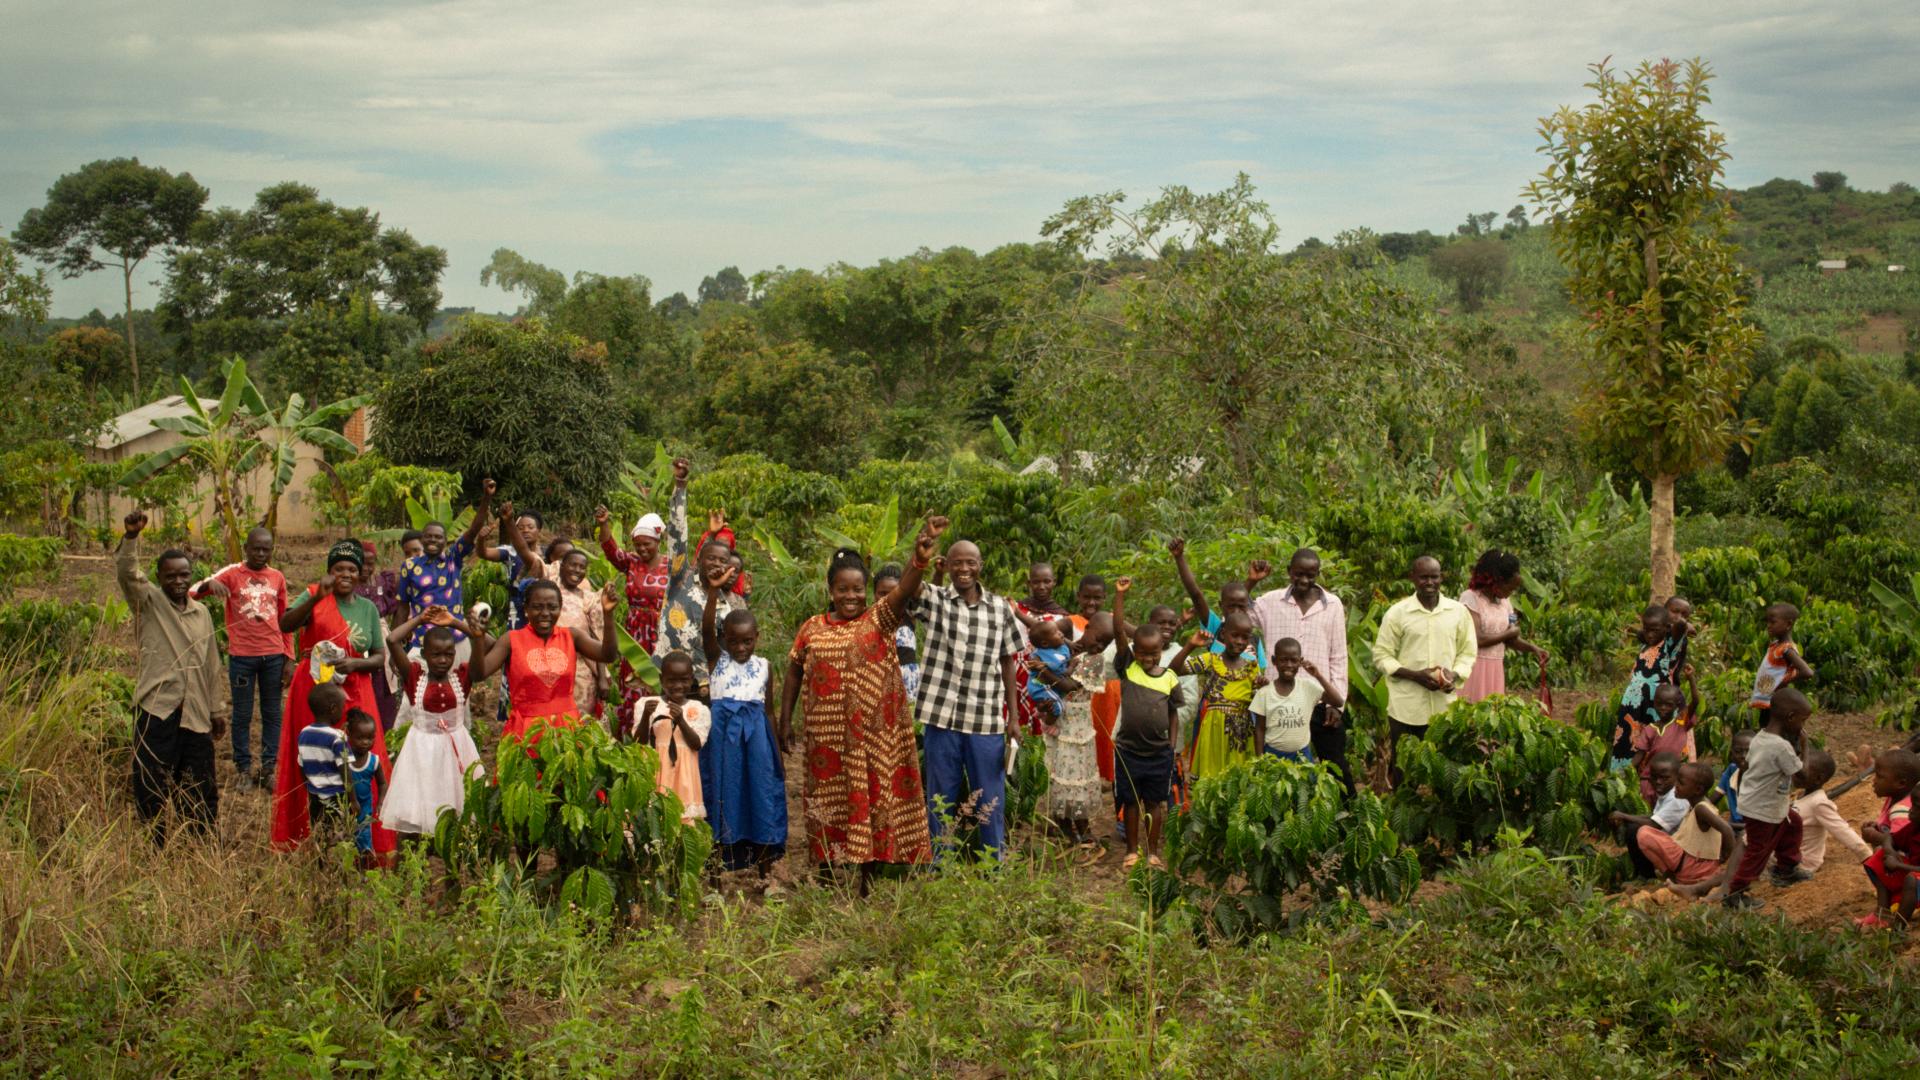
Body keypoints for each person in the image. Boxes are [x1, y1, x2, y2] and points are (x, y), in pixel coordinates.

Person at [781, 521, 946, 892]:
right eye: (843, 589)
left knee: (868, 800)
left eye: (858, 589)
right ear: (831, 590)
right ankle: (826, 875)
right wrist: (784, 720)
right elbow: (793, 670)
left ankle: (866, 881)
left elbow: (903, 590)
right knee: (828, 802)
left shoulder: (879, 618)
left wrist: (918, 561)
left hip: (869, 736)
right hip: (826, 737)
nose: (851, 596)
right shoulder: (811, 627)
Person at [271, 540, 396, 858]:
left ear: (360, 574)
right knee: (318, 760)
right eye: (339, 568)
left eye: (352, 569)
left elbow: (379, 655)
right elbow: (285, 624)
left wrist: (356, 663)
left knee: (357, 757)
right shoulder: (314, 594)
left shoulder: (367, 608)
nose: (345, 574)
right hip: (315, 690)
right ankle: (312, 836)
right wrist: (316, 598)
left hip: (357, 690)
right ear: (329, 572)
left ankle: (361, 840)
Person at [116, 511, 227, 845]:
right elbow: (127, 573)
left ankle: (200, 846)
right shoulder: (149, 603)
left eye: (184, 575)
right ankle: (155, 845)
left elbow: (211, 663)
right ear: (159, 578)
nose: (178, 581)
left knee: (199, 784)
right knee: (151, 784)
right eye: (170, 576)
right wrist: (132, 537)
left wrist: (216, 708)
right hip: (157, 710)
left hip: (195, 716)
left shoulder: (201, 612)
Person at [910, 533, 1023, 861]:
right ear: (947, 567)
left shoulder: (1000, 609)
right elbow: (911, 586)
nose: (963, 569)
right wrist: (920, 556)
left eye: (970, 563)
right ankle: (940, 867)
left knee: (990, 796)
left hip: (984, 718)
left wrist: (1013, 718)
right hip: (941, 717)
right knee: (940, 797)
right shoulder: (936, 600)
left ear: (980, 567)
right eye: (956, 562)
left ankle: (993, 864)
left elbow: (1008, 661)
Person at [699, 567, 788, 877]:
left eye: (747, 642)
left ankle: (764, 869)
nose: (740, 648)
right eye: (734, 642)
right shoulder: (717, 660)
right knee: (723, 795)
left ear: (756, 639)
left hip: (758, 740)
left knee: (761, 794)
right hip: (724, 740)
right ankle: (716, 872)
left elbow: (770, 712)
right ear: (725, 639)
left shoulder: (765, 667)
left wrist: (776, 753)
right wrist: (713, 591)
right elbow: (706, 629)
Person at [188, 526, 290, 789]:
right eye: (255, 548)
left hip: (273, 656)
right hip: (242, 657)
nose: (260, 553)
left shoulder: (277, 577)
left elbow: (285, 620)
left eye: (265, 549)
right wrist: (209, 584)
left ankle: (268, 769)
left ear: (272, 550)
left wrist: (289, 657)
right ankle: (243, 769)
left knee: (272, 713)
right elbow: (192, 592)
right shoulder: (232, 574)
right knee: (242, 715)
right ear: (245, 548)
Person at [1250, 548, 1353, 792]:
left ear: (1318, 573)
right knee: (1278, 770)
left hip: (1319, 702)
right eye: (1298, 574)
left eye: (1311, 575)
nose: (1304, 580)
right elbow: (1235, 617)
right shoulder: (1270, 601)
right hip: (1278, 701)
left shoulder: (1333, 605)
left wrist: (1336, 705)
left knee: (1335, 766)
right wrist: (1251, 581)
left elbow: (1338, 655)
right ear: (1289, 572)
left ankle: (1347, 820)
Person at [1110, 578, 1195, 870]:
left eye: (1153, 653)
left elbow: (1173, 713)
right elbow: (1118, 629)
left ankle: (1153, 852)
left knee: (1155, 805)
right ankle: (1132, 851)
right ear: (1135, 651)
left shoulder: (1170, 677)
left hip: (1159, 753)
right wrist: (1120, 596)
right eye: (1143, 653)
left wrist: (1172, 745)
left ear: (1162, 650)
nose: (1148, 658)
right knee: (1131, 803)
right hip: (1129, 751)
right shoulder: (1129, 667)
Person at [473, 578, 620, 747]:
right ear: (526, 609)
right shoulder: (511, 640)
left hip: (566, 726)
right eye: (537, 607)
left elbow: (607, 654)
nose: (545, 613)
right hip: (527, 730)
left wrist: (608, 614)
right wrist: (478, 638)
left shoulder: (572, 636)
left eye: (552, 607)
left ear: (560, 608)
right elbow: (479, 673)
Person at [379, 608, 486, 837]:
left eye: (448, 654)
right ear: (424, 654)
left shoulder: (462, 677)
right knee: (416, 810)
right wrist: (420, 619)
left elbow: (486, 643)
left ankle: (452, 867)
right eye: (436, 655)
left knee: (456, 807)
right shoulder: (414, 677)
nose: (443, 660)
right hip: (420, 753)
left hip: (457, 750)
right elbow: (392, 639)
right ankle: (408, 868)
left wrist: (456, 623)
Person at [1371, 556, 1477, 784]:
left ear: (1441, 578)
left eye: (1434, 576)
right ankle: (1403, 811)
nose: (1429, 582)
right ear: (1413, 578)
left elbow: (1467, 653)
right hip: (1405, 707)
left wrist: (1454, 675)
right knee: (1404, 767)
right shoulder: (1398, 613)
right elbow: (1381, 655)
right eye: (1423, 577)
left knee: (1443, 767)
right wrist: (1414, 675)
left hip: (1444, 706)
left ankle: (1434, 815)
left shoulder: (1458, 612)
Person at [1725, 687, 1813, 909]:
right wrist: (1805, 747)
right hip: (1762, 809)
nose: (1802, 727)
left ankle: (1786, 868)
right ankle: (1735, 893)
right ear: (1791, 718)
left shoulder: (1760, 737)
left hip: (1765, 803)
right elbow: (1803, 778)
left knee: (1793, 824)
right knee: (1758, 850)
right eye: (1802, 721)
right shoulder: (1781, 747)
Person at [597, 481, 675, 728]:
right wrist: (604, 524)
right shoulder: (632, 563)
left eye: (647, 544)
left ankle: (660, 727)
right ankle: (632, 727)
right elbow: (611, 551)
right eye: (638, 544)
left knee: (659, 677)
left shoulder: (671, 566)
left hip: (661, 630)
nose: (642, 549)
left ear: (657, 542)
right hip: (635, 629)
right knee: (634, 677)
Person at [1034, 612, 1112, 854]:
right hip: (1059, 723)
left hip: (1077, 730)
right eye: (1096, 638)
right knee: (1058, 774)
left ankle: (1084, 829)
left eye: (1104, 644)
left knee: (1076, 778)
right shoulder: (1073, 651)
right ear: (1085, 628)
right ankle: (1065, 826)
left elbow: (1068, 686)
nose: (1098, 646)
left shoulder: (1095, 660)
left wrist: (1043, 671)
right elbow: (1041, 632)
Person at [1610, 761, 1742, 897]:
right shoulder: (1697, 805)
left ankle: (1674, 878)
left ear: (1697, 790)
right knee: (1650, 833)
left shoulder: (1702, 808)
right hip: (1694, 864)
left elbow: (1726, 829)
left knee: (1644, 834)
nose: (1676, 786)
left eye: (1681, 783)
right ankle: (1677, 878)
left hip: (1693, 866)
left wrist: (1725, 857)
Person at [397, 479, 496, 660]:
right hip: (422, 641)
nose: (433, 540)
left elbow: (473, 529)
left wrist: (486, 498)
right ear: (422, 539)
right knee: (422, 688)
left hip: (456, 640)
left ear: (445, 540)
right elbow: (403, 606)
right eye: (428, 537)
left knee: (458, 688)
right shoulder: (409, 566)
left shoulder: (453, 558)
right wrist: (397, 647)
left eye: (438, 537)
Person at [1181, 610, 1268, 780]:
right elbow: (1175, 668)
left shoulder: (1252, 667)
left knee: (1238, 782)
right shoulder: (1211, 660)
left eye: (1245, 638)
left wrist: (1263, 687)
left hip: (1242, 733)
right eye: (1235, 635)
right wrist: (1190, 646)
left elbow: (1259, 705)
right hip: (1214, 728)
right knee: (1211, 781)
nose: (1240, 642)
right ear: (1223, 634)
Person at [1457, 549, 1547, 703]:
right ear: (1495, 581)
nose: (1510, 593)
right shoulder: (1470, 598)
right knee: (1471, 716)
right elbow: (1477, 639)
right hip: (1474, 668)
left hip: (1495, 668)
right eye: (1509, 587)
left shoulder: (1505, 603)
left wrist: (1534, 649)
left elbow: (1511, 640)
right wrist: (1509, 633)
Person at [630, 652, 709, 824]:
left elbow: (696, 744)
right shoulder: (647, 703)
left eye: (684, 680)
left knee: (684, 817)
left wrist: (681, 720)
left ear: (692, 679)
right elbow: (639, 742)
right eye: (671, 681)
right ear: (661, 679)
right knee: (656, 815)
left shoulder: (699, 709)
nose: (678, 686)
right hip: (657, 768)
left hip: (685, 772)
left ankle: (681, 849)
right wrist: (646, 717)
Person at [1171, 538, 1268, 669]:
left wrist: (1252, 581)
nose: (1236, 611)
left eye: (1241, 607)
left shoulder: (1254, 639)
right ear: (1221, 605)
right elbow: (1196, 595)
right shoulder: (1215, 628)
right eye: (1231, 606)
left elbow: (1261, 673)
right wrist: (1179, 558)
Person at [1251, 638, 1343, 764]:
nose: (1289, 665)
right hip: (1273, 756)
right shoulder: (1264, 693)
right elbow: (1259, 729)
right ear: (1274, 661)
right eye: (1283, 660)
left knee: (1305, 783)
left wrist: (1318, 675)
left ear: (1300, 662)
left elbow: (1338, 701)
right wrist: (1260, 760)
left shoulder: (1308, 687)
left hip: (1302, 756)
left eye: (1293, 660)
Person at [1610, 604, 1679, 770]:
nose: (1650, 634)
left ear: (1667, 628)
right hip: (1633, 705)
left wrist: (1679, 622)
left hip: (1655, 703)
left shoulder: (1668, 645)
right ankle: (1623, 775)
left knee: (1654, 740)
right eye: (1647, 630)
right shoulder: (1645, 643)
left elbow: (1681, 628)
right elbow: (1642, 633)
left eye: (1655, 630)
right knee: (1628, 739)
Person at [1858, 749, 1920, 928]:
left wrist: (1898, 864)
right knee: (1876, 859)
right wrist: (1890, 850)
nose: (1910, 811)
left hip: (1913, 876)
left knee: (1911, 879)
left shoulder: (1902, 812)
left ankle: (1898, 929)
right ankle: (1882, 913)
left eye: (1916, 807)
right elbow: (1891, 839)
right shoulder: (1914, 825)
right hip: (1909, 870)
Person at [1794, 749, 1871, 874]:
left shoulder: (1818, 803)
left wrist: (1867, 856)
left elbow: (1841, 829)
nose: (1794, 772)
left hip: (1802, 863)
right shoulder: (1801, 796)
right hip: (1790, 854)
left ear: (1818, 779)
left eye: (1800, 771)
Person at [1630, 670, 1699, 802]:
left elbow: (1695, 701)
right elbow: (1639, 755)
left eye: (1668, 705)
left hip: (1671, 779)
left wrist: (1690, 678)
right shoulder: (1649, 729)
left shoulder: (1681, 722)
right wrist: (1626, 772)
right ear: (1654, 703)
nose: (1663, 708)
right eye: (1659, 704)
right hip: (1650, 779)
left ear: (1676, 706)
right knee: (1649, 812)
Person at [296, 684, 353, 843]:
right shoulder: (338, 737)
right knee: (340, 835)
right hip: (337, 796)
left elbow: (301, 765)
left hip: (314, 796)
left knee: (319, 832)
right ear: (333, 709)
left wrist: (310, 786)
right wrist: (353, 800)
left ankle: (321, 864)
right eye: (342, 707)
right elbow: (345, 771)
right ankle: (337, 866)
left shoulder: (304, 733)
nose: (343, 711)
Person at [1750, 601, 1815, 710]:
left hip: (1774, 701)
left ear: (1788, 624)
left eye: (1773, 622)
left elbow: (1807, 672)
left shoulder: (1786, 649)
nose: (1768, 626)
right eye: (1768, 622)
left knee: (1770, 726)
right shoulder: (1776, 646)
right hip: (1767, 701)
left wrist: (1783, 681)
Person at [1014, 609, 1073, 727]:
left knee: (1055, 701)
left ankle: (1043, 713)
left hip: (1049, 685)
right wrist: (1072, 667)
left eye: (1059, 630)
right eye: (1056, 633)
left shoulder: (1061, 646)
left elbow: (1066, 659)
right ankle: (1048, 723)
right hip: (1039, 687)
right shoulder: (1043, 654)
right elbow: (1057, 669)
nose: (1061, 634)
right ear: (1045, 643)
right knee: (1057, 706)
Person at [872, 565, 921, 703]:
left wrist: (919, 562)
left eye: (894, 592)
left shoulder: (908, 615)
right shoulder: (869, 618)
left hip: (908, 689)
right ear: (874, 593)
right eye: (882, 592)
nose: (888, 597)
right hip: (879, 687)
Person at [1715, 729, 1754, 836]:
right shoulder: (1731, 770)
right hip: (1734, 829)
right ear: (1731, 753)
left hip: (1752, 832)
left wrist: (1725, 824)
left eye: (1749, 752)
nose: (1743, 756)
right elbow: (1713, 799)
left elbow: (1758, 825)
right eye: (1738, 751)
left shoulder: (1761, 779)